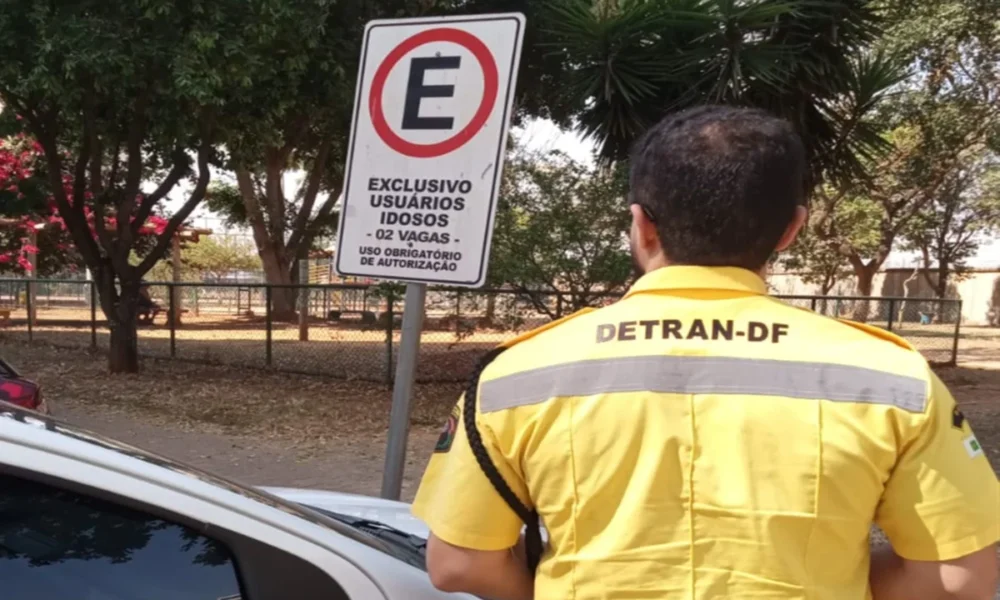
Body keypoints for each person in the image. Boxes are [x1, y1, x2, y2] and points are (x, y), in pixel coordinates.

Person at [410, 105, 999, 600]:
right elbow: (961, 577)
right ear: (791, 230)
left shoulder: (517, 373)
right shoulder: (891, 377)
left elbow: (459, 565)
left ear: (641, 226)